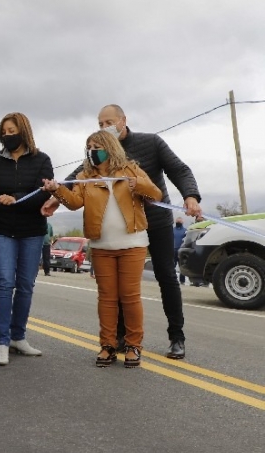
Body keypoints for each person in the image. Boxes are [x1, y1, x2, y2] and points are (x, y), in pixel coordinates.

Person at [42, 104, 201, 359]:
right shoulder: (97, 153)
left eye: (109, 122)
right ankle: (117, 337)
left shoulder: (151, 143)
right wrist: (56, 196)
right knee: (113, 288)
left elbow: (179, 169)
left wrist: (190, 196)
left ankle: (176, 337)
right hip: (114, 228)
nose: (105, 127)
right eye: (100, 123)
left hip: (154, 220)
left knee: (165, 277)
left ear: (123, 121)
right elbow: (77, 179)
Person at [43, 130, 162, 368]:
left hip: (133, 244)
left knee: (129, 297)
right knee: (107, 298)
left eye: (97, 145)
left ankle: (133, 346)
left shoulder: (131, 170)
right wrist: (57, 189)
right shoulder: (84, 176)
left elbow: (155, 194)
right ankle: (107, 345)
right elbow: (75, 203)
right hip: (101, 245)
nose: (92, 150)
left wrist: (138, 185)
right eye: (89, 146)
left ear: (110, 147)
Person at [0, 112, 53, 366]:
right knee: (4, 283)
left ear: (24, 131)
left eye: (12, 131)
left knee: (25, 285)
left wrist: (15, 197)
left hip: (32, 231)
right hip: (1, 230)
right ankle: (2, 342)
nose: (8, 135)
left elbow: (42, 193)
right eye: (4, 132)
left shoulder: (42, 160)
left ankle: (18, 337)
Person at [173, 217, 187, 285]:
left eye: (180, 221)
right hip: (173, 250)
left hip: (181, 251)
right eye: (177, 221)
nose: (178, 222)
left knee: (182, 266)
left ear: (182, 222)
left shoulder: (185, 231)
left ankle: (182, 281)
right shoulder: (172, 230)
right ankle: (172, 280)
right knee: (172, 266)